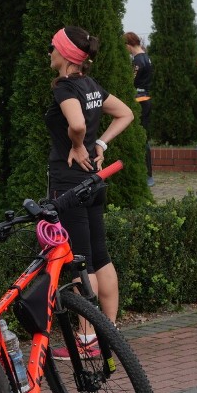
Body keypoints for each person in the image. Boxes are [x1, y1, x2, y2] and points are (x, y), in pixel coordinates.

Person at [45, 26, 134, 360]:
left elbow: (77, 124)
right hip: (94, 181)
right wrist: (101, 144)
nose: (49, 52)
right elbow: (126, 112)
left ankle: (86, 340)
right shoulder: (91, 85)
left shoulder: (66, 88)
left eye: (52, 47)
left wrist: (80, 143)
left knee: (81, 261)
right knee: (100, 256)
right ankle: (108, 332)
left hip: (71, 184)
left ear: (66, 55)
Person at [124, 31, 154, 187]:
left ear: (128, 45)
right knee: (144, 137)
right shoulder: (147, 57)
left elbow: (131, 81)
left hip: (138, 101)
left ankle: (146, 175)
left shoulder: (137, 61)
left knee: (140, 138)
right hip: (146, 99)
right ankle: (148, 174)